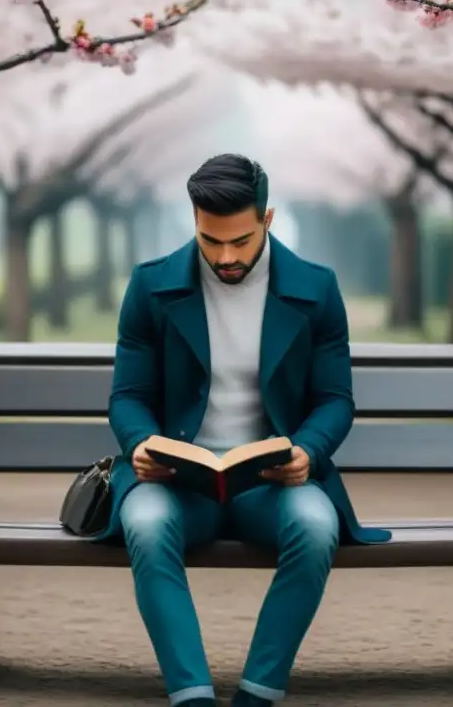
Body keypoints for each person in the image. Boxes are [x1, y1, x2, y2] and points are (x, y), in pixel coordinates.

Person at [90, 153, 390, 707]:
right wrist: (141, 445)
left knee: (317, 528)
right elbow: (128, 396)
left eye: (241, 241)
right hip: (176, 481)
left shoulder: (316, 289)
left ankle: (258, 692)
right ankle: (192, 695)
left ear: (268, 220)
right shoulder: (151, 287)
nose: (226, 257)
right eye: (211, 241)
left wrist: (308, 451)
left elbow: (334, 400)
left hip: (274, 485)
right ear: (195, 222)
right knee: (147, 526)